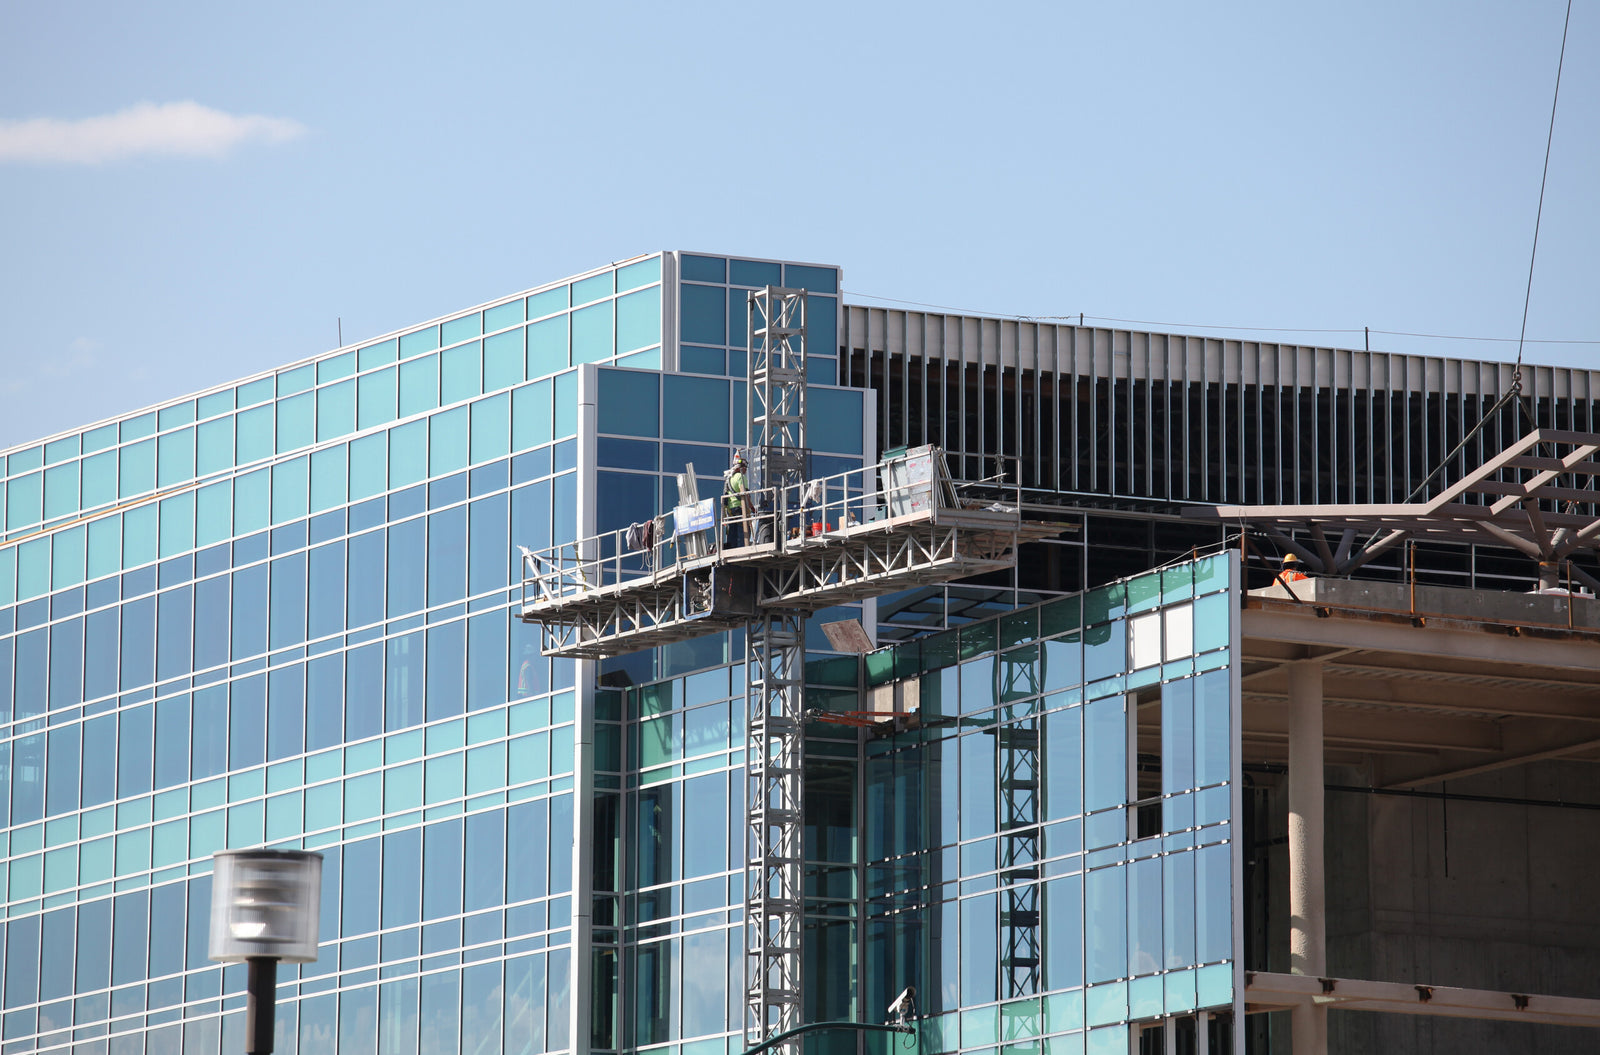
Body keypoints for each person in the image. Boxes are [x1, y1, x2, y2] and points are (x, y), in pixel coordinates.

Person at [723, 454, 749, 548]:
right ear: (740, 468)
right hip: (740, 508)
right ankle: (742, 548)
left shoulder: (730, 478)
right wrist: (751, 507)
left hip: (731, 510)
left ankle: (731, 549)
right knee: (743, 530)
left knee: (732, 531)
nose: (746, 470)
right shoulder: (741, 477)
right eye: (745, 468)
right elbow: (746, 494)